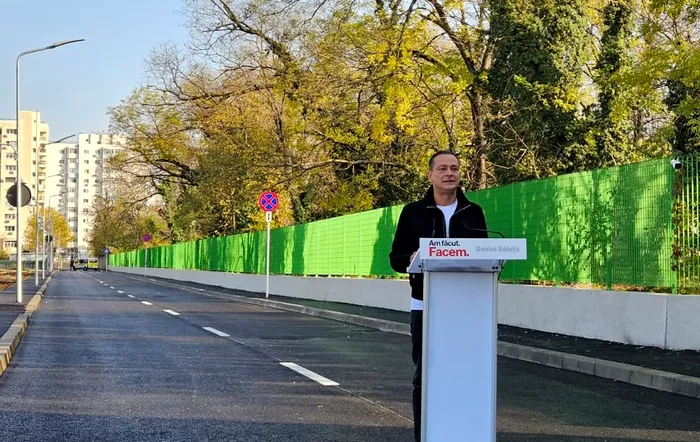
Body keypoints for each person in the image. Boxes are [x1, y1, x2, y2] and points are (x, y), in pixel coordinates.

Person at [389, 151, 488, 442]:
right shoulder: (413, 212)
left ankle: (461, 433)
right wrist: (413, 258)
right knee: (427, 376)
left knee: (464, 374)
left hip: (466, 306)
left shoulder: (473, 212)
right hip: (425, 305)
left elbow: (483, 255)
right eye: (443, 168)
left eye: (454, 168)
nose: (449, 173)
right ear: (430, 175)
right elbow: (395, 258)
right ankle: (426, 435)